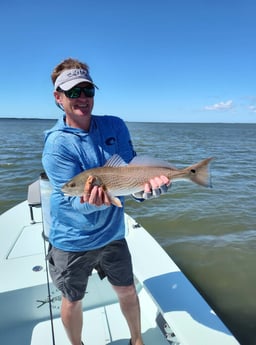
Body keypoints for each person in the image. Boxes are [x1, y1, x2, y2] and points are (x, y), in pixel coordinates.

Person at [42, 57, 170, 345]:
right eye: (73, 92)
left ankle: (137, 340)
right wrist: (95, 200)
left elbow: (130, 173)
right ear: (58, 97)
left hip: (113, 234)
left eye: (88, 90)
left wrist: (142, 192)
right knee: (72, 299)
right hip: (72, 240)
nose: (82, 98)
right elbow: (70, 199)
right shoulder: (56, 145)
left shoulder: (115, 126)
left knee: (126, 290)